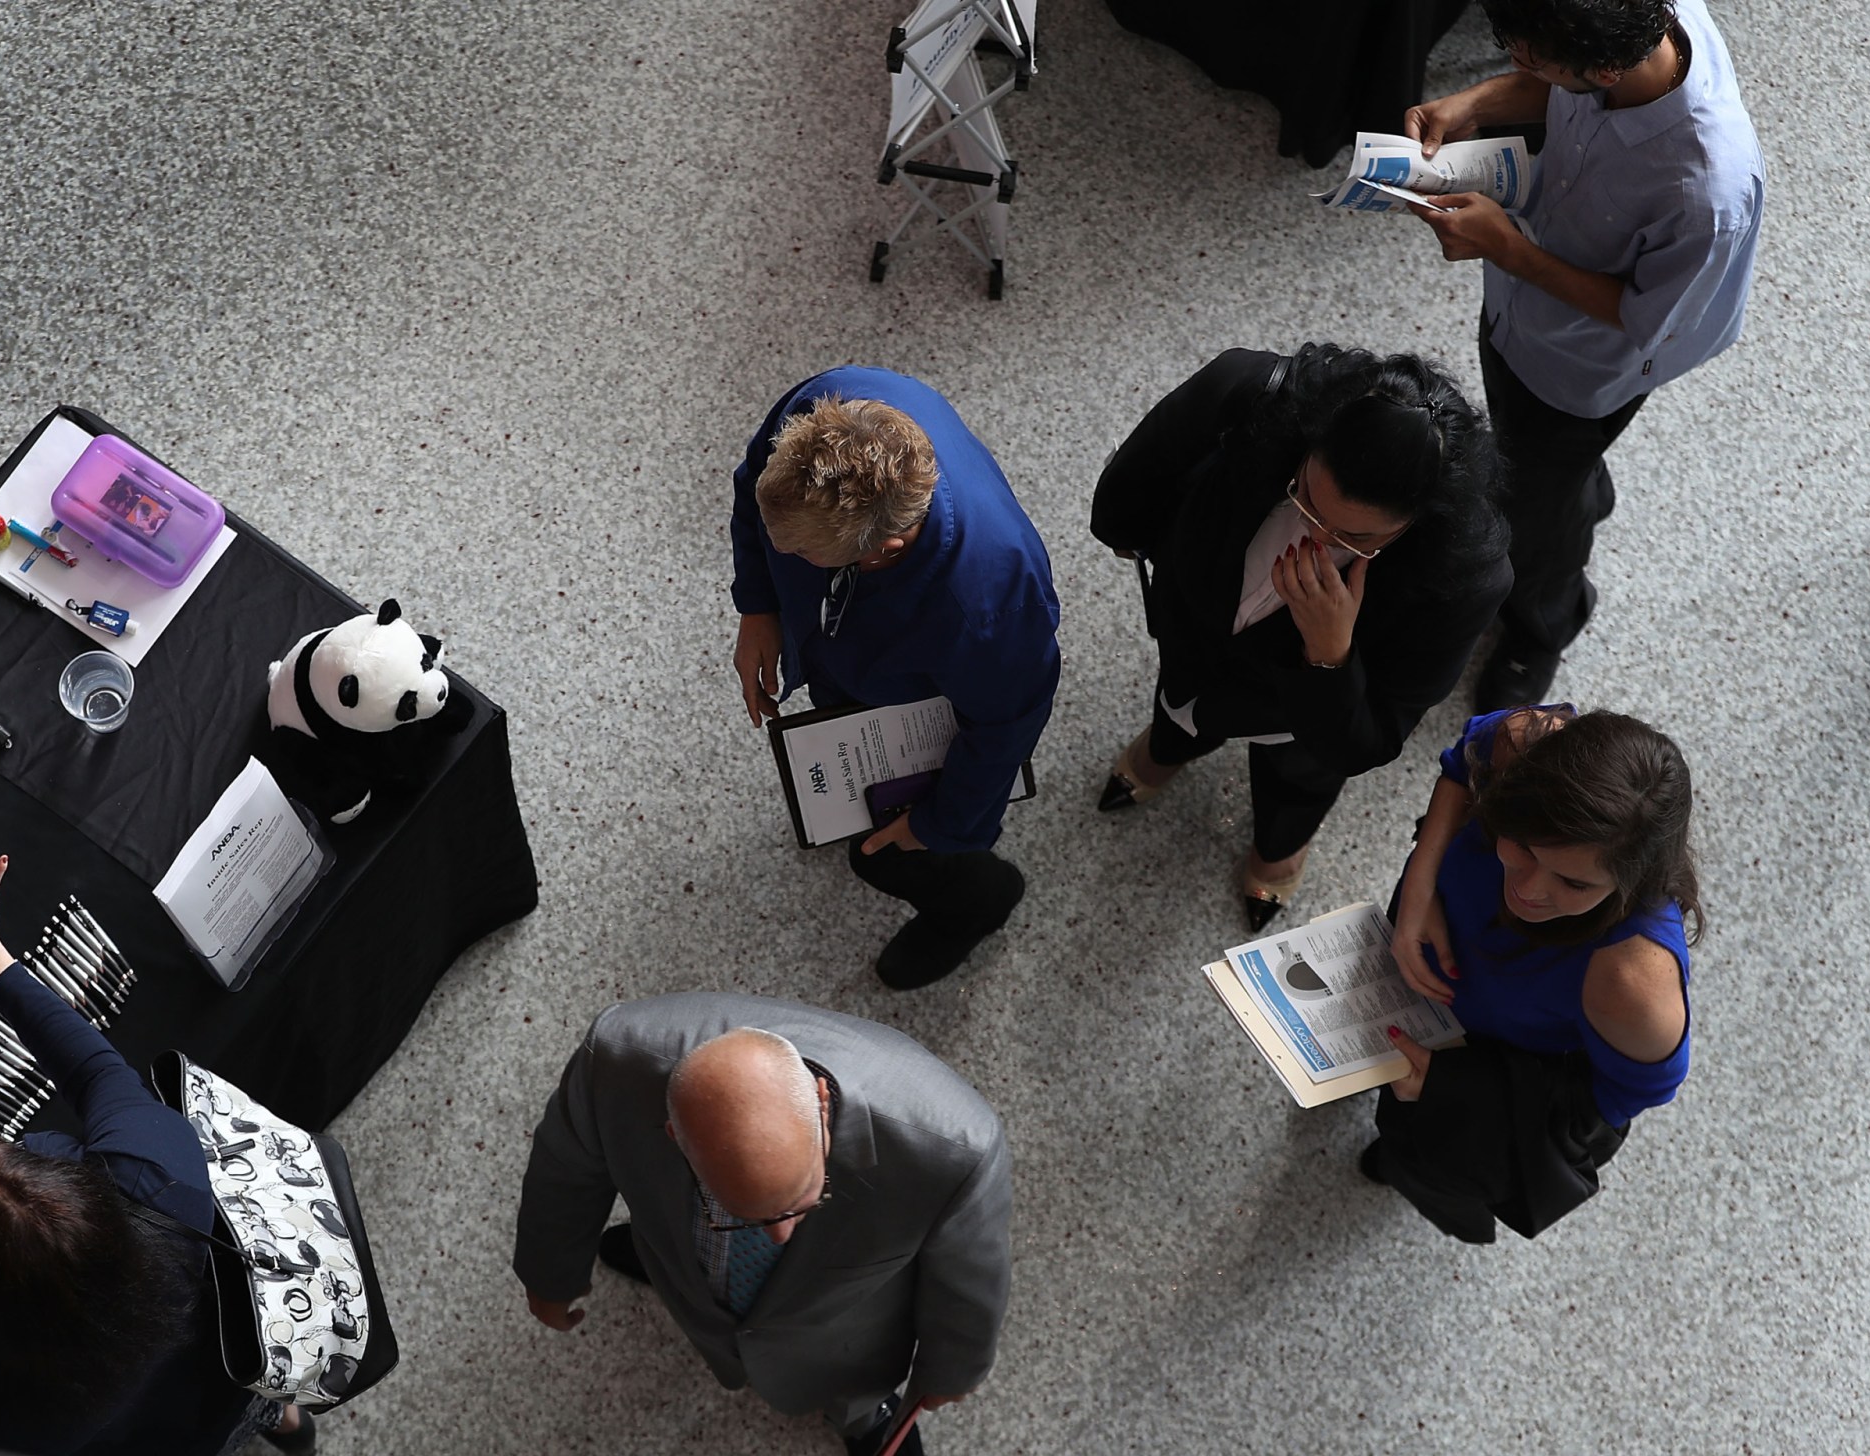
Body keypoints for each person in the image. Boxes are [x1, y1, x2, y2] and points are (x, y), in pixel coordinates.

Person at [0, 826, 313, 1454]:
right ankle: (284, 1422)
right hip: (231, 1354)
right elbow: (95, 1068)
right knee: (248, 1393)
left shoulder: (4, 1405)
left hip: (149, 1440)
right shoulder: (158, 1180)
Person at [1405, 0, 1764, 708]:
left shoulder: (1708, 193)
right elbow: (1557, 92)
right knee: (1536, 468)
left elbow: (1645, 319)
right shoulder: (1633, 30)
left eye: (1533, 61)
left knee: (1538, 517)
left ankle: (1545, 624)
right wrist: (1471, 105)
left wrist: (1509, 248)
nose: (1517, 69)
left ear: (1604, 69)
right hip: (1518, 313)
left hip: (1576, 370)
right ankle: (1577, 488)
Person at [1090, 343, 1510, 931]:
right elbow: (1136, 478)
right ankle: (1165, 750)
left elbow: (1369, 739)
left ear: (1418, 522)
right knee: (1179, 694)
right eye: (1309, 501)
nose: (1316, 537)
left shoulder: (1463, 576)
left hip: (1304, 715)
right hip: (1193, 626)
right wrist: (1129, 534)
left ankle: (1278, 844)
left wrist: (1330, 655)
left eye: (1354, 538)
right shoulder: (1251, 393)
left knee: (1299, 774)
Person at [513, 993, 1011, 1456]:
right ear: (674, 1137)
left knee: (851, 1382)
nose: (779, 1234)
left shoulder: (955, 1153)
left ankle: (862, 1415)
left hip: (846, 1336)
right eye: (736, 1213)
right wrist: (550, 1274)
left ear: (820, 1102)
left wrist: (950, 1372)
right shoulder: (613, 1062)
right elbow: (566, 1170)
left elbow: (969, 1288)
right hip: (685, 1269)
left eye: (800, 1200)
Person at [730, 369, 1061, 989]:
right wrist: (758, 604)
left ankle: (978, 900)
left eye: (799, 556)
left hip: (926, 702)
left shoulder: (992, 605)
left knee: (884, 858)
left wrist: (938, 827)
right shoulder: (823, 405)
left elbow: (1006, 726)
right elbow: (755, 487)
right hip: (857, 660)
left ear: (883, 548)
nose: (785, 557)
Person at [1364, 706, 1699, 1242]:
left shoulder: (1632, 981)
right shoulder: (1524, 744)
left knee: (1419, 1153)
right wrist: (1421, 883)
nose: (1528, 890)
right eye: (1521, 844)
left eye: (1574, 884)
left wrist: (1451, 1089)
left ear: (1630, 883)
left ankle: (1407, 1168)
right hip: (1427, 967)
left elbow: (1614, 1102)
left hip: (1484, 1058)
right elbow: (1462, 763)